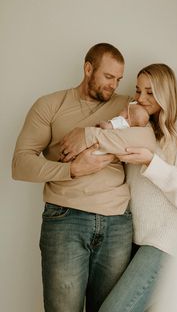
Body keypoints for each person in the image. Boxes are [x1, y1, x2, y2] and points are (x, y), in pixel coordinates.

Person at [11, 43, 156, 312]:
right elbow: (20, 164)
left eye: (119, 79)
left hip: (117, 223)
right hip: (65, 219)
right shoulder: (50, 105)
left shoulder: (127, 107)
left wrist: (89, 134)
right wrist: (72, 170)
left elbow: (149, 141)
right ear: (88, 69)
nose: (114, 85)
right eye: (108, 77)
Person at [59, 63, 177, 312]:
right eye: (137, 91)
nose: (141, 99)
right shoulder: (138, 129)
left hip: (166, 241)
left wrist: (149, 161)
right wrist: (116, 125)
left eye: (149, 92)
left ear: (166, 93)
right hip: (132, 239)